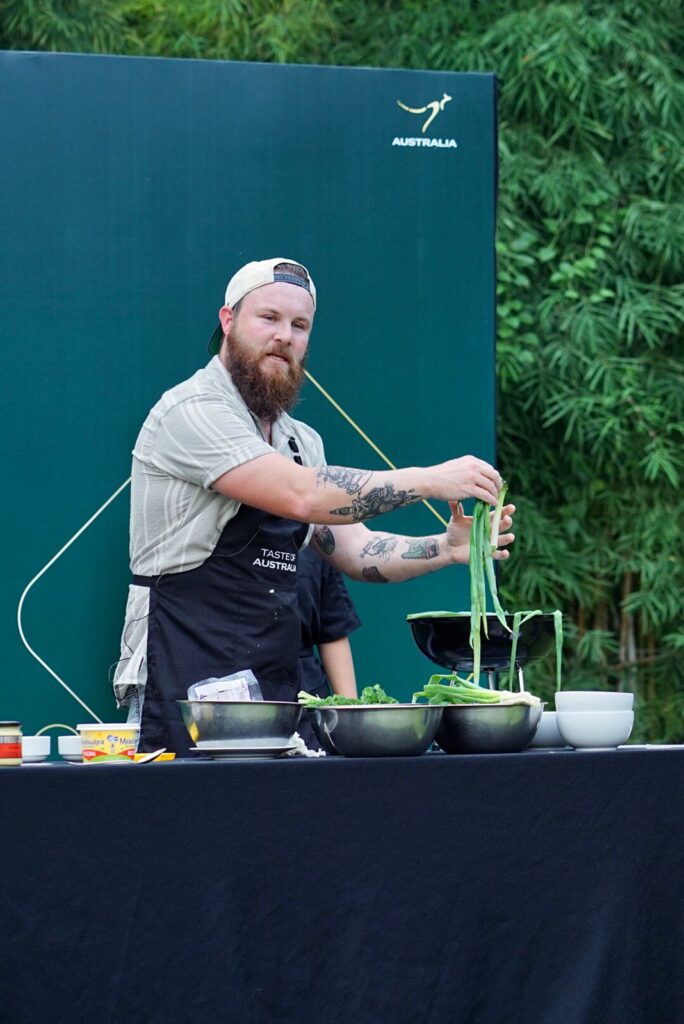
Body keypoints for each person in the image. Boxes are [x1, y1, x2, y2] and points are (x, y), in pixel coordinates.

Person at [113, 257, 515, 754]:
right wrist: (428, 480)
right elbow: (302, 495)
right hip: (183, 684)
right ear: (228, 321)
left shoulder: (301, 441)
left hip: (273, 693)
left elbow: (354, 549)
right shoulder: (192, 411)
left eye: (299, 325)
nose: (284, 336)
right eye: (269, 318)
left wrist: (446, 547)